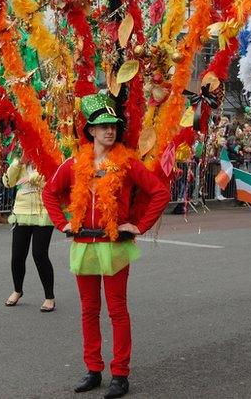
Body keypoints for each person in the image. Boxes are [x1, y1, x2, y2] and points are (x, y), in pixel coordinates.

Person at [42, 94, 170, 398]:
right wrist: (64, 223)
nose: (109, 131)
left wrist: (138, 226)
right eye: (102, 126)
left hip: (114, 244)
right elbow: (49, 192)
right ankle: (93, 369)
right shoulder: (74, 164)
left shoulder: (127, 164)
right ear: (91, 131)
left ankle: (120, 374)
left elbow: (159, 192)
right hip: (84, 243)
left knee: (117, 310)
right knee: (88, 310)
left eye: (113, 125)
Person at [3, 156, 55, 312]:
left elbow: (52, 178)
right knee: (18, 255)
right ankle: (17, 290)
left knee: (39, 254)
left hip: (43, 212)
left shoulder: (48, 153)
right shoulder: (18, 159)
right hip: (21, 211)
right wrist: (19, 162)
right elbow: (8, 183)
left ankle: (49, 297)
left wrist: (31, 177)